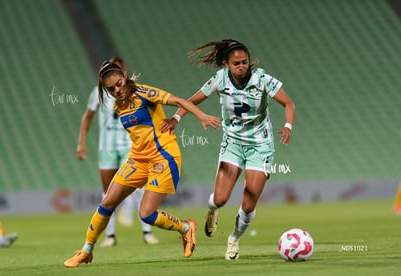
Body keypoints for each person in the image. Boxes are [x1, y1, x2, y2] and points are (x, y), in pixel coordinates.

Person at [63, 60, 221, 268]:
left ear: (124, 76)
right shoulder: (119, 106)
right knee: (106, 203)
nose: (117, 90)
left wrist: (200, 116)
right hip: (137, 159)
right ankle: (86, 251)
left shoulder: (144, 92)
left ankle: (185, 228)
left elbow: (179, 100)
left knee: (146, 214)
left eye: (119, 83)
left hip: (163, 156)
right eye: (111, 89)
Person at [165, 39, 295, 260]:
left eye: (245, 62)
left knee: (249, 201)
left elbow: (289, 104)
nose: (242, 66)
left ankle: (234, 239)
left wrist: (287, 126)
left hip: (260, 146)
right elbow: (192, 100)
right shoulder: (220, 79)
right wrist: (176, 118)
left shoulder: (261, 78)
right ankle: (212, 211)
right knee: (221, 198)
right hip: (232, 144)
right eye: (237, 63)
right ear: (226, 64)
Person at [77, 57, 159, 247]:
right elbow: (87, 117)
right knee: (108, 193)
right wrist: (81, 143)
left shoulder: (135, 91)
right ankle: (110, 236)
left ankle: (147, 232)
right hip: (106, 148)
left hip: (129, 145)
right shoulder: (98, 95)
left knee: (139, 187)